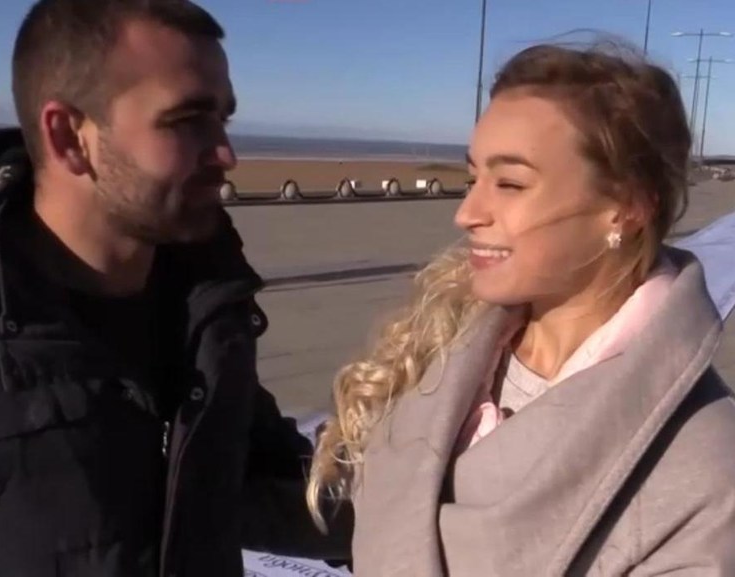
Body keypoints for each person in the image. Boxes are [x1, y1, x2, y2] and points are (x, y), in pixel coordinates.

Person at [0, 1, 350, 575]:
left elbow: (257, 484)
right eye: (187, 120)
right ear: (69, 137)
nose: (227, 154)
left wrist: (434, 518)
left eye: (223, 120)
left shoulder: (204, 307)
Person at [308, 42, 735, 576]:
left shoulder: (706, 466)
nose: (467, 213)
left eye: (510, 184)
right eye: (473, 179)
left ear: (626, 206)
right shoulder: (433, 349)